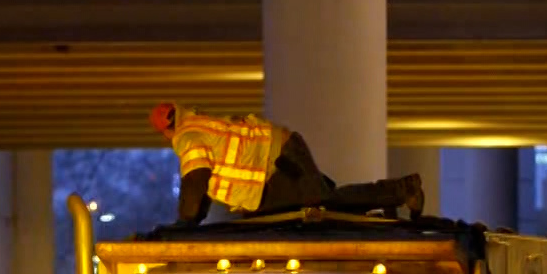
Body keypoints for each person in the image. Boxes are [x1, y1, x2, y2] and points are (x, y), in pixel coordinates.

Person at [150, 103, 425, 225]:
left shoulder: (186, 137)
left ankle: (402, 190)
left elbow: (195, 180)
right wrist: (194, 218)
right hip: (271, 171)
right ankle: (389, 199)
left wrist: (187, 221)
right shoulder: (200, 125)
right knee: (306, 212)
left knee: (321, 200)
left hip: (280, 158)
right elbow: (205, 185)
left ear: (165, 132)